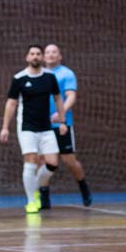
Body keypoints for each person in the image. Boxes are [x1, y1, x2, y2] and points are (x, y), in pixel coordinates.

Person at [0, 46, 64, 214]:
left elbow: (58, 98)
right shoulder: (19, 78)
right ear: (27, 57)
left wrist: (62, 120)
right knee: (30, 161)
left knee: (52, 163)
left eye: (38, 54)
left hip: (46, 128)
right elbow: (11, 103)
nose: (35, 56)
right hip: (27, 127)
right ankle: (31, 201)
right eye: (32, 54)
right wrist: (5, 127)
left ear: (42, 57)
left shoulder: (50, 77)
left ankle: (34, 186)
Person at [35, 43, 93, 208]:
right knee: (42, 161)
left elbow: (71, 96)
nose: (51, 54)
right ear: (43, 57)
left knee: (69, 160)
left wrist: (61, 114)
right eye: (47, 52)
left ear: (59, 56)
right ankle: (44, 197)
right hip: (42, 125)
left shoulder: (66, 73)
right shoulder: (37, 74)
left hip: (61, 124)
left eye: (54, 52)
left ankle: (83, 186)